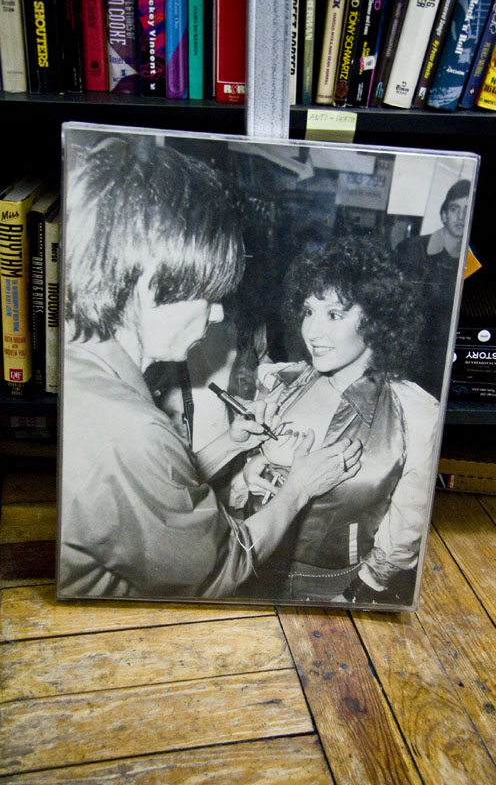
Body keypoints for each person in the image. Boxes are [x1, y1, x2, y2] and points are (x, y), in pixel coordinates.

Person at [57, 132, 361, 601]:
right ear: (148, 288)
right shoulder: (131, 432)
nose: (216, 314)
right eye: (208, 296)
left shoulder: (86, 370)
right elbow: (221, 566)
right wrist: (297, 488)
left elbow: (148, 494)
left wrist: (230, 444)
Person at [232, 237, 439, 605]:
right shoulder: (285, 382)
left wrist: (355, 594)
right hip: (251, 575)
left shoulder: (415, 413)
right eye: (308, 311)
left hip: (333, 593)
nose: (311, 332)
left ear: (375, 318)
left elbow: (405, 531)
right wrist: (251, 475)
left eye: (334, 314)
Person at [396, 179, 471, 397]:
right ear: (444, 215)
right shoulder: (413, 249)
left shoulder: (470, 262)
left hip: (443, 367)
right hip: (409, 362)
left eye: (467, 210)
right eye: (455, 209)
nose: (461, 217)